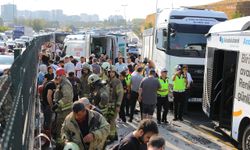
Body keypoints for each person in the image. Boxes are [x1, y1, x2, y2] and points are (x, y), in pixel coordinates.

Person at [53, 68, 74, 145]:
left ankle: (61, 144)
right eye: (57, 75)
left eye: (59, 75)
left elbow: (67, 97)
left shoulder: (65, 84)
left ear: (62, 75)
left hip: (65, 110)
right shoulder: (62, 83)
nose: (57, 77)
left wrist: (58, 104)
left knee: (62, 126)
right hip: (62, 109)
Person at [106, 65, 124, 143]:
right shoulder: (107, 80)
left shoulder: (117, 81)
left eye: (113, 72)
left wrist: (118, 105)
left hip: (114, 104)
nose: (111, 73)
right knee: (109, 120)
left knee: (112, 120)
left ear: (115, 73)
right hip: (108, 104)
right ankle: (115, 135)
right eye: (110, 72)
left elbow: (120, 94)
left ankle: (112, 137)